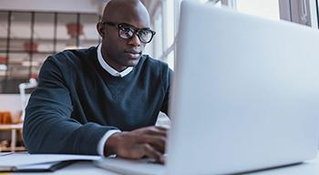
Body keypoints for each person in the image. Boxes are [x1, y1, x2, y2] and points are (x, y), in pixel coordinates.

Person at [23, 0, 172, 164]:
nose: (136, 41)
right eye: (126, 30)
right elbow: (39, 128)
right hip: (78, 171)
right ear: (102, 30)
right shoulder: (63, 67)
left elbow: (198, 121)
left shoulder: (161, 75)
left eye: (143, 33)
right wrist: (115, 140)